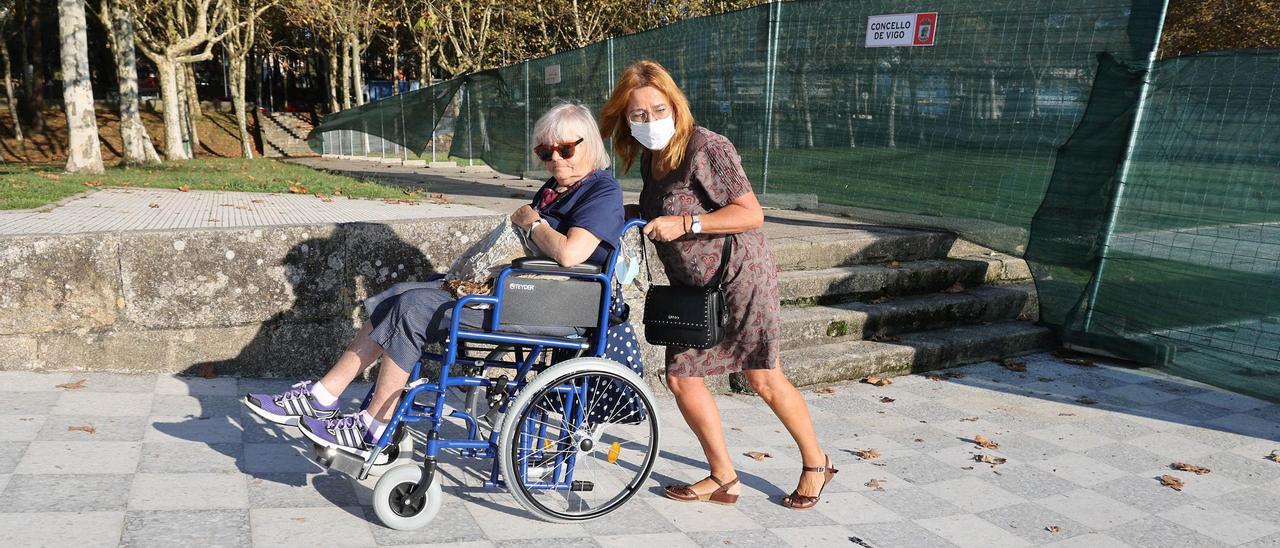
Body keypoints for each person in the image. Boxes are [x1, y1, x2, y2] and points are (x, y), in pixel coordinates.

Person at [244, 102, 640, 461]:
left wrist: (532, 221)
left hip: (551, 306)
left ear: (590, 146)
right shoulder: (555, 189)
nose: (555, 159)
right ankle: (322, 396)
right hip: (521, 292)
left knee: (413, 309)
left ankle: (372, 426)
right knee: (395, 297)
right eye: (545, 152)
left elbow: (571, 254)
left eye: (565, 149)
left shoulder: (601, 191)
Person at [599, 60, 836, 509]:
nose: (650, 121)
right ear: (625, 120)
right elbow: (663, 208)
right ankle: (723, 477)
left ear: (675, 104)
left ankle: (816, 463)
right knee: (681, 378)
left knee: (761, 375)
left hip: (740, 276)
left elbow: (750, 213)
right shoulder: (653, 157)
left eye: (657, 109)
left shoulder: (707, 147)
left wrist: (686, 223)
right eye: (638, 115)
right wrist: (632, 214)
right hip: (691, 286)